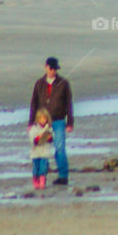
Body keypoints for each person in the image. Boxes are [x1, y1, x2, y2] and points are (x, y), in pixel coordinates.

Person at [29, 57, 73, 186]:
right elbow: (34, 103)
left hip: (59, 121)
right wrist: (31, 123)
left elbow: (68, 103)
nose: (53, 71)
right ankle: (42, 176)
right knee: (42, 149)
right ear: (46, 67)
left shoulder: (64, 83)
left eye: (55, 69)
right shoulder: (39, 83)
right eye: (51, 68)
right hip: (43, 123)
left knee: (60, 148)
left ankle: (63, 176)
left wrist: (70, 123)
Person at [29, 107, 55, 189]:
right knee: (35, 169)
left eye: (45, 118)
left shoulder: (49, 128)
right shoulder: (34, 128)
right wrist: (39, 137)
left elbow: (51, 139)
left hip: (45, 153)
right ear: (37, 119)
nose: (43, 120)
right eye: (41, 118)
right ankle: (35, 181)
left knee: (43, 168)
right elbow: (33, 141)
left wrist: (49, 137)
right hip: (35, 153)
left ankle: (42, 182)